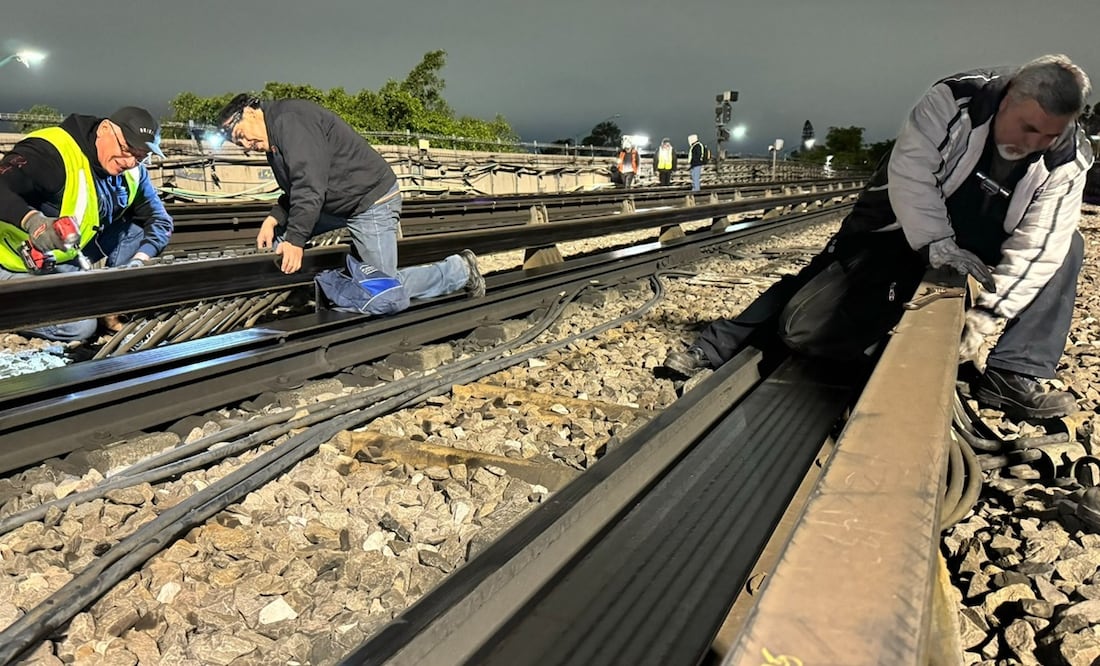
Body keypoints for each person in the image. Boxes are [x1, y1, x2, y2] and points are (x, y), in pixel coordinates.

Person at [664, 55, 1093, 421]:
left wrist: (985, 318)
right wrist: (936, 243)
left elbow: (1041, 244)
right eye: (1027, 127)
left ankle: (1015, 370)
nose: (1034, 143)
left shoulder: (1067, 158)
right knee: (832, 271)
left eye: (1050, 135)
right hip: (908, 208)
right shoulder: (952, 100)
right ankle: (719, 343)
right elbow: (910, 174)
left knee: (1069, 248)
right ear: (1009, 96)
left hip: (991, 228)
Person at [214, 94, 484, 309]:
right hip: (335, 203)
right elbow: (298, 189)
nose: (246, 145)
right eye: (239, 145)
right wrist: (274, 219)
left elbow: (309, 187)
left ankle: (459, 271)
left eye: (241, 136)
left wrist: (296, 241)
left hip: (370, 202)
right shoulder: (274, 139)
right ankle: (313, 286)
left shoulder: (291, 122)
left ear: (250, 111)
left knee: (384, 291)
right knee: (277, 241)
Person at [0, 106, 174, 341]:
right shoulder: (51, 152)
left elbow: (159, 220)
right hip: (11, 262)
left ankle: (110, 302)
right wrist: (34, 222)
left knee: (136, 229)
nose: (131, 161)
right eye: (126, 149)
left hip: (62, 260)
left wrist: (138, 262)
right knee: (80, 327)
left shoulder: (133, 170)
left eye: (141, 156)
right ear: (104, 130)